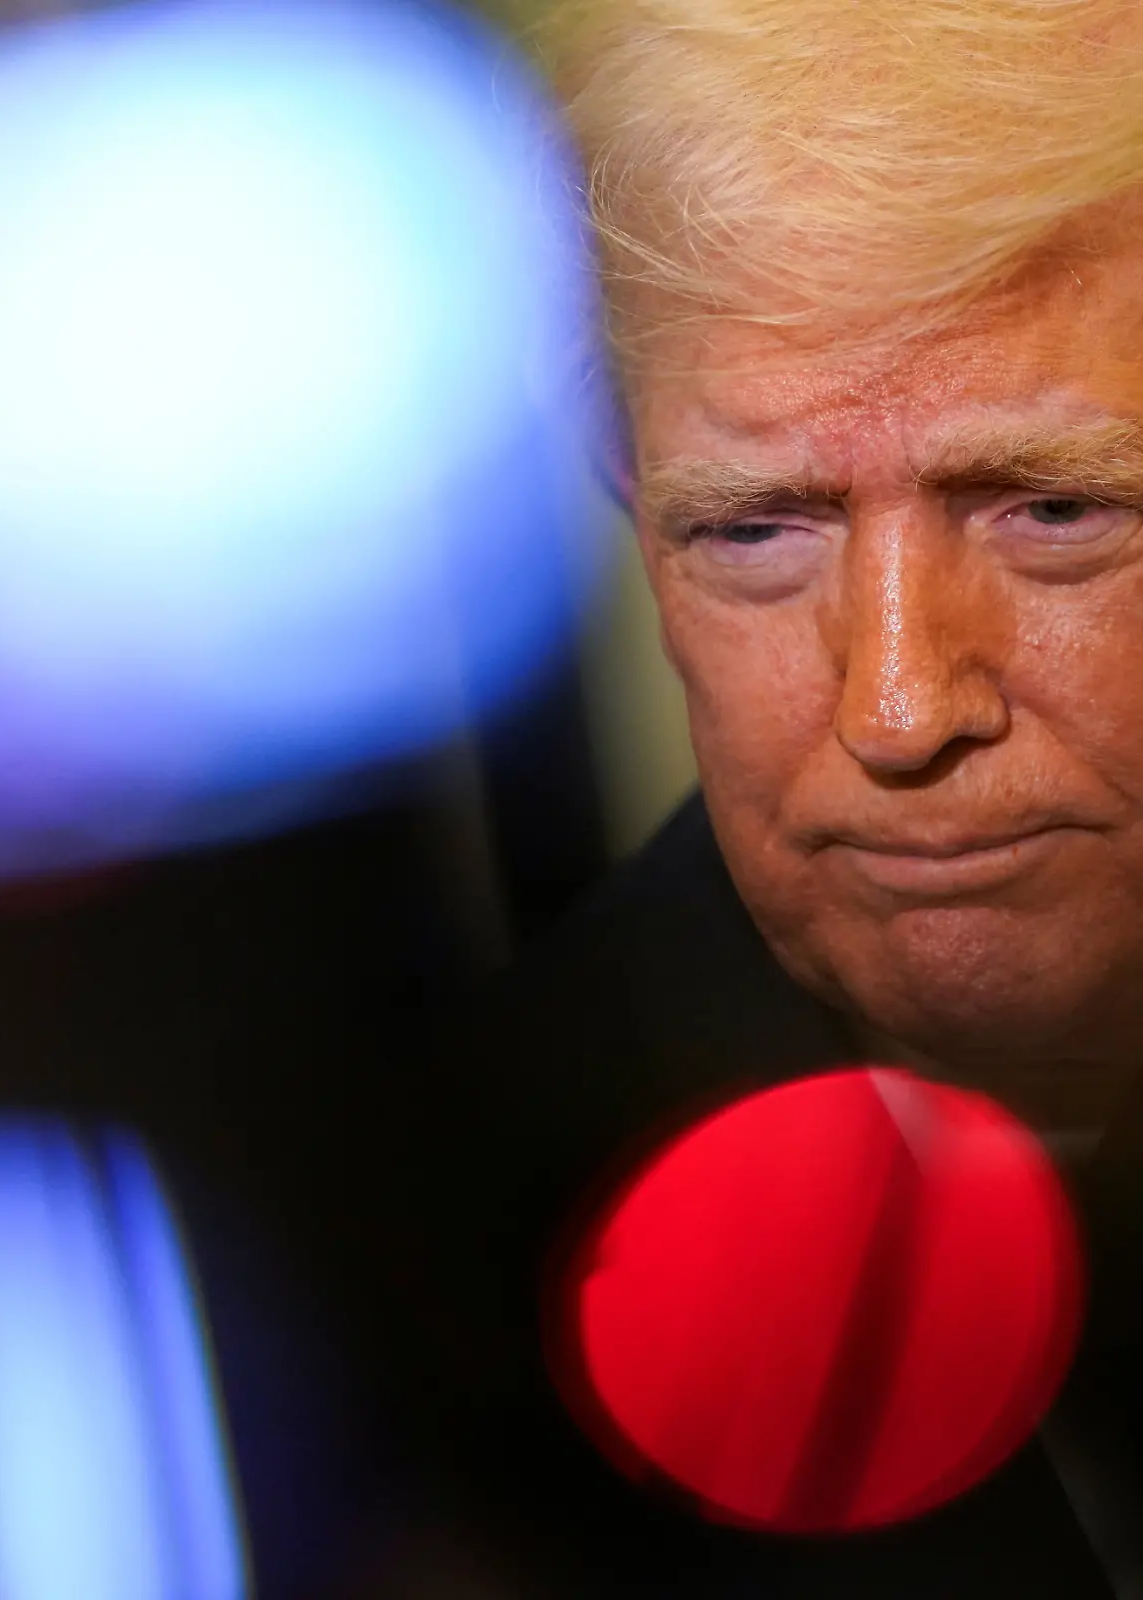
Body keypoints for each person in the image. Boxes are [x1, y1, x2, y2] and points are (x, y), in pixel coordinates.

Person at [354, 2, 1143, 1595]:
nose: (899, 709)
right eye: (755, 531)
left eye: (1054, 511)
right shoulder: (417, 1310)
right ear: (632, 513)